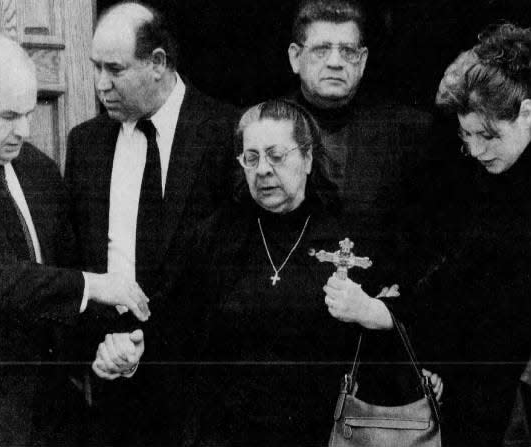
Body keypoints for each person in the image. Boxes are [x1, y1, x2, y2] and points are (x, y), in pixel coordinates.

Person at [165, 99, 442, 447]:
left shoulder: (355, 236)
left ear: (308, 158)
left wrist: (375, 312)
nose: (262, 169)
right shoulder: (215, 237)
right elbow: (174, 328)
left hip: (327, 432)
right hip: (228, 433)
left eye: (276, 156)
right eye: (251, 158)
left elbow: (422, 315)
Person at [64, 1, 237, 444]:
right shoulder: (85, 144)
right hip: (111, 378)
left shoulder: (226, 132)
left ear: (158, 63)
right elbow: (74, 260)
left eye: (115, 69)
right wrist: (97, 350)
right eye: (95, 67)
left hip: (201, 385)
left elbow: (234, 264)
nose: (101, 84)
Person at [0, 33, 150, 446]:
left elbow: (69, 272)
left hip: (55, 419)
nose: (24, 130)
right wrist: (94, 285)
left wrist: (113, 342)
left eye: (28, 113)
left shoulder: (37, 169)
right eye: (8, 116)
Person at [407, 22, 531, 446]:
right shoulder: (483, 182)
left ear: (528, 113)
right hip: (483, 393)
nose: (477, 151)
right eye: (467, 138)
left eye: (489, 135)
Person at [286, 0, 435, 285]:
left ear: (363, 60)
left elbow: (424, 238)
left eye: (347, 51)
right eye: (321, 49)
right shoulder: (261, 125)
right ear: (295, 57)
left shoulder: (408, 131)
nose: (335, 61)